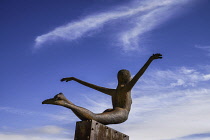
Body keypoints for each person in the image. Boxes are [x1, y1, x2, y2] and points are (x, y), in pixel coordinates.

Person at [42, 53, 162, 125]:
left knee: (90, 119)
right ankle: (65, 104)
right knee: (93, 118)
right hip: (121, 114)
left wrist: (75, 79)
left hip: (112, 111)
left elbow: (91, 86)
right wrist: (149, 60)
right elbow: (140, 74)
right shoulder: (127, 89)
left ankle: (65, 99)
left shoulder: (113, 92)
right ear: (128, 78)